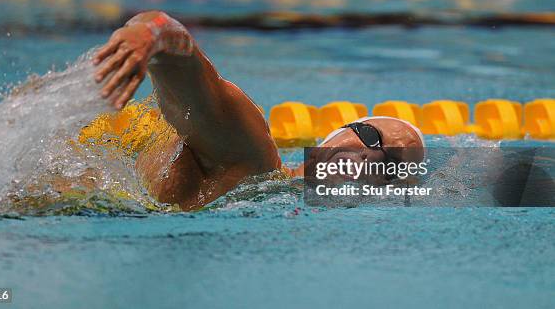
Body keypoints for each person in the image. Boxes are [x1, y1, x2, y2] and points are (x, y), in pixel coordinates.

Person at [93, 11, 425, 210]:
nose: (373, 156)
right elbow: (178, 51)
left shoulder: (270, 188)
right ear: (337, 133)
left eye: (392, 166)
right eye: (372, 137)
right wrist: (146, 36)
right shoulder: (252, 152)